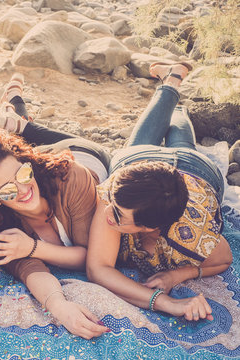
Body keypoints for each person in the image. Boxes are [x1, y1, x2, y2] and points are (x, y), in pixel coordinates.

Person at [0, 75, 111, 339]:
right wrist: (59, 306)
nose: (23, 189)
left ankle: (15, 112)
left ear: (27, 166)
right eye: (7, 189)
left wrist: (32, 247)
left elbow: (91, 256)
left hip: (85, 156)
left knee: (26, 133)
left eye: (22, 174)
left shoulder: (72, 178)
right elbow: (30, 270)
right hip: (35, 158)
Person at [86, 62, 233, 321]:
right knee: (140, 144)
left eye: (120, 216)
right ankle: (172, 83)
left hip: (195, 169)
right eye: (112, 204)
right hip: (139, 164)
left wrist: (177, 274)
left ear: (151, 227)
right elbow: (98, 269)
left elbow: (224, 260)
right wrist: (164, 302)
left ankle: (177, 103)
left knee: (184, 143)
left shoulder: (193, 234)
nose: (107, 212)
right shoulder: (116, 193)